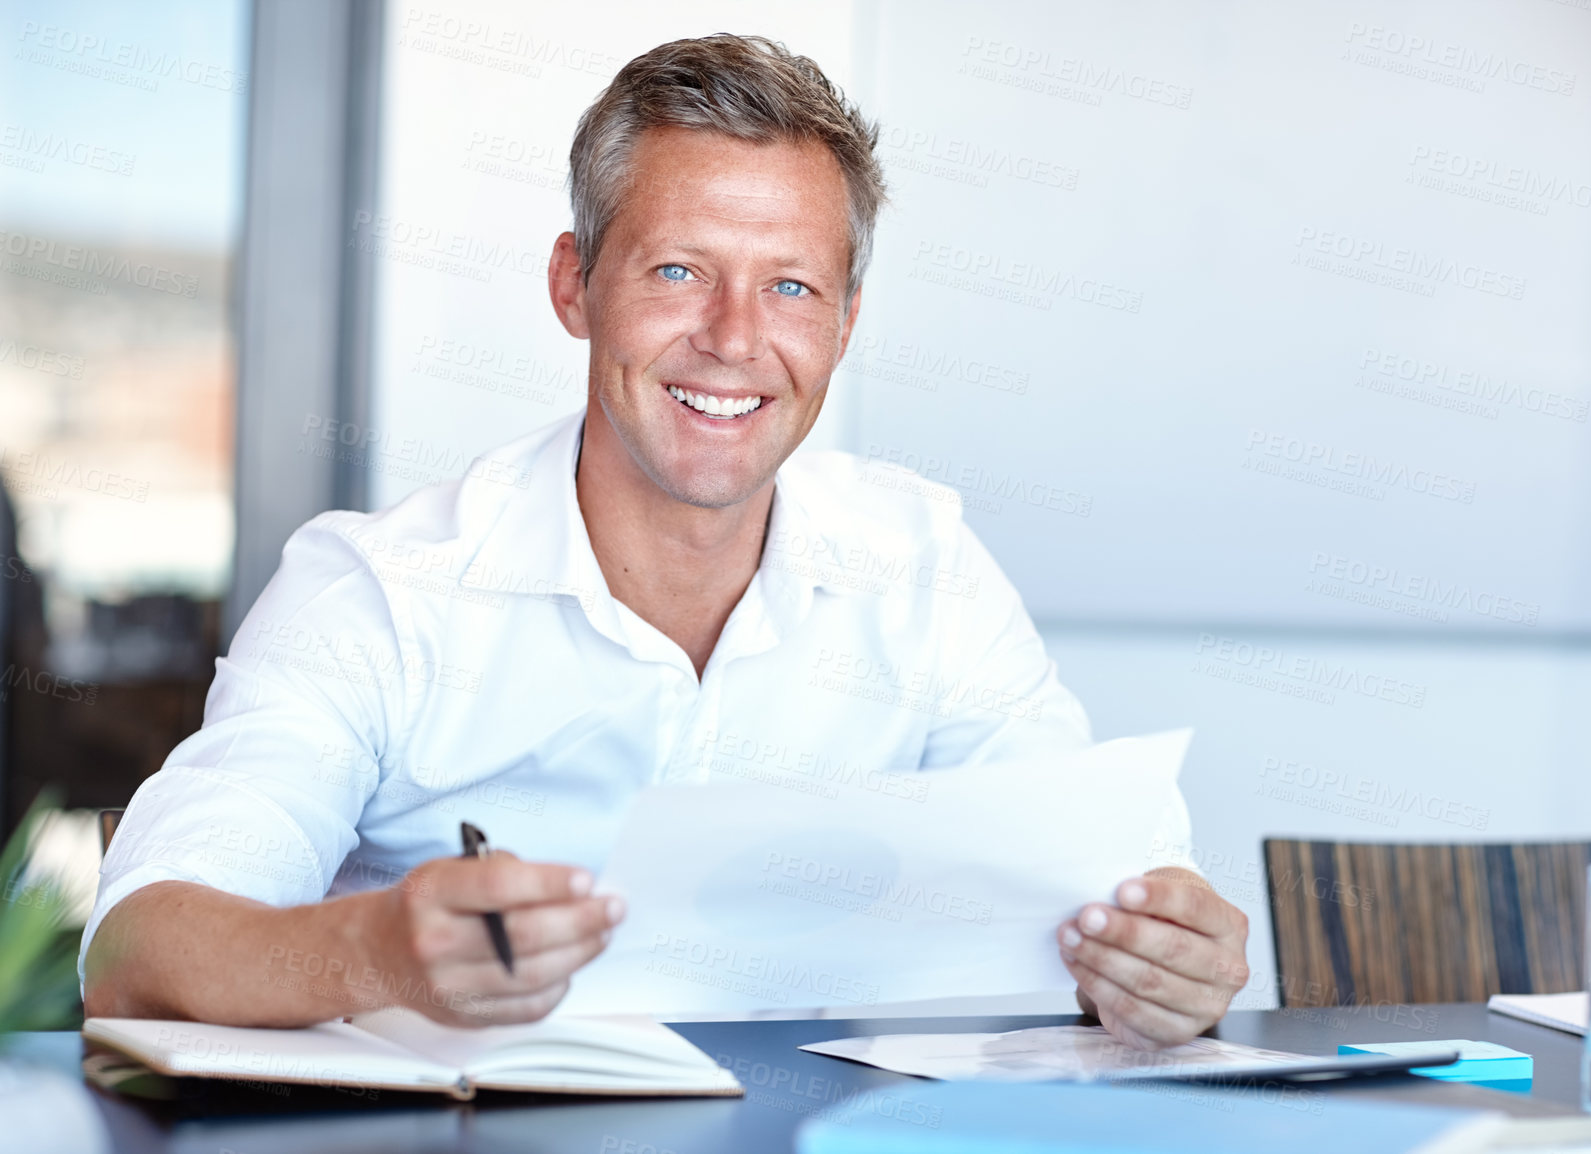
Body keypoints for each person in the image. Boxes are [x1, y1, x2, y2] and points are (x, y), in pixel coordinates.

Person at [80, 34, 1248, 1049]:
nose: (734, 339)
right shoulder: (377, 590)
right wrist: (373, 951)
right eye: (679, 270)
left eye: (790, 287)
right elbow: (136, 948)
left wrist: (1164, 959)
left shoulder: (924, 568)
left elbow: (1114, 881)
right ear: (574, 283)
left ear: (845, 325)